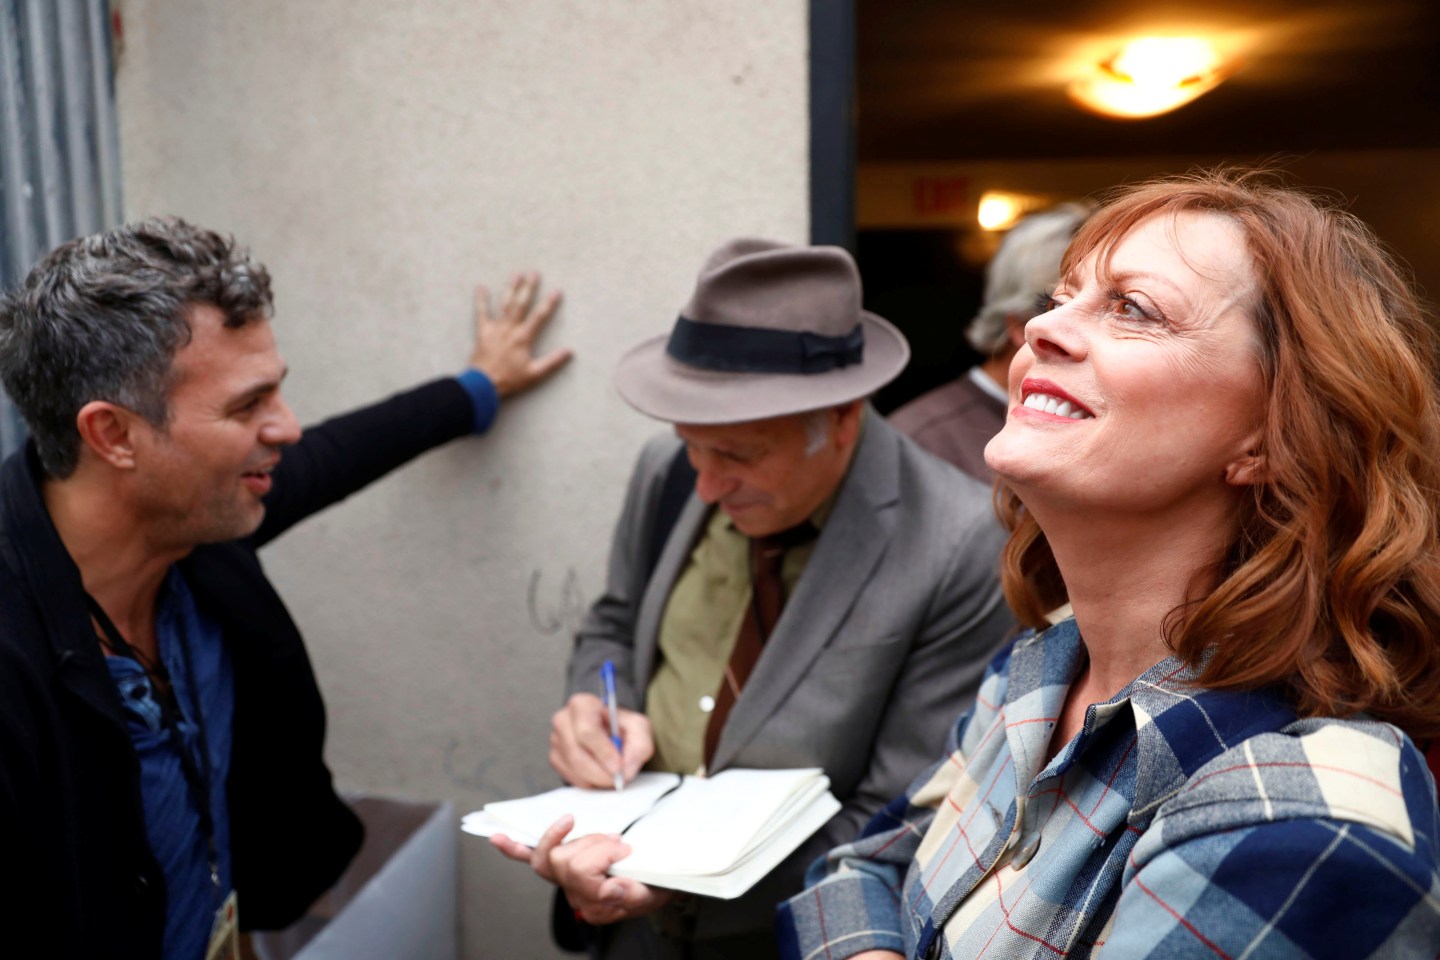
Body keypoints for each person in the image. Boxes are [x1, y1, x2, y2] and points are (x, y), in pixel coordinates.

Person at [778, 170, 1440, 959]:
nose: (1038, 332)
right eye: (1060, 299)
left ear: (1271, 433)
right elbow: (854, 869)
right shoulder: (1037, 674)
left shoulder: (1299, 822)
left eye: (1134, 309)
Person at [0, 217, 571, 960]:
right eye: (247, 406)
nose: (288, 427)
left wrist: (477, 389)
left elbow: (339, 453)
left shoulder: (197, 526)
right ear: (113, 435)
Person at [491, 238, 1016, 959]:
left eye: (738, 455)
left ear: (841, 418)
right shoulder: (668, 471)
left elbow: (901, 811)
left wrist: (683, 878)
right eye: (691, 445)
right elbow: (614, 622)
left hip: (786, 934)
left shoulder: (957, 542)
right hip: (628, 929)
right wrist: (596, 705)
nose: (706, 484)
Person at [889, 204, 1088, 481]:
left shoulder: (1089, 420)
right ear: (1021, 324)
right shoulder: (920, 440)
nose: (1093, 340)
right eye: (1060, 306)